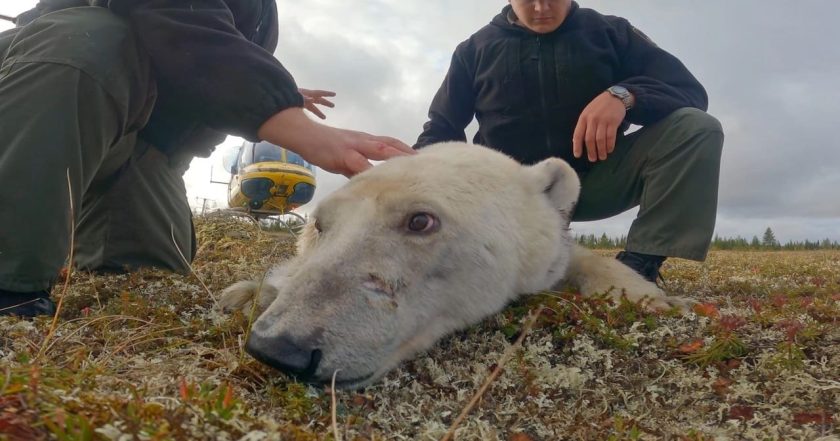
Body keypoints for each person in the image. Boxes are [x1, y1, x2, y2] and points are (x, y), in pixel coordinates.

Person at [0, 0, 413, 317]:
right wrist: (288, 119)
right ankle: (11, 283)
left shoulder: (261, 15)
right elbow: (176, 21)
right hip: (45, 84)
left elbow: (207, 58)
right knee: (92, 41)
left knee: (152, 279)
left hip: (137, 147)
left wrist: (258, 90)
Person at [415, 0, 724, 286]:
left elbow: (688, 91)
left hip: (599, 179)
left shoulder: (611, 32)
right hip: (515, 196)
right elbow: (443, 127)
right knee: (502, 281)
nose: (541, 8)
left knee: (696, 128)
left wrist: (626, 95)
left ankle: (638, 266)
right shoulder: (473, 49)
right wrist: (405, 175)